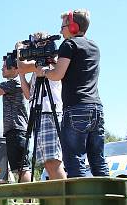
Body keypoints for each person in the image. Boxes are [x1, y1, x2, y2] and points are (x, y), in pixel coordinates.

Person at [17, 9, 108, 177]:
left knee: (75, 160)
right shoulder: (94, 46)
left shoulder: (69, 45)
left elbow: (57, 74)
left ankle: (78, 203)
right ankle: (106, 201)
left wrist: (43, 71)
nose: (60, 31)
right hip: (96, 108)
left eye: (63, 26)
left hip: (76, 108)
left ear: (73, 27)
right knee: (98, 161)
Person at [18, 31, 67, 180]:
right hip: (39, 113)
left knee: (53, 161)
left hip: (49, 112)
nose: (35, 47)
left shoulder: (51, 60)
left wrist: (19, 47)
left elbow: (21, 65)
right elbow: (28, 95)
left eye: (39, 43)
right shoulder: (37, 68)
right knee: (47, 163)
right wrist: (21, 75)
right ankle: (58, 199)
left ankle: (65, 199)